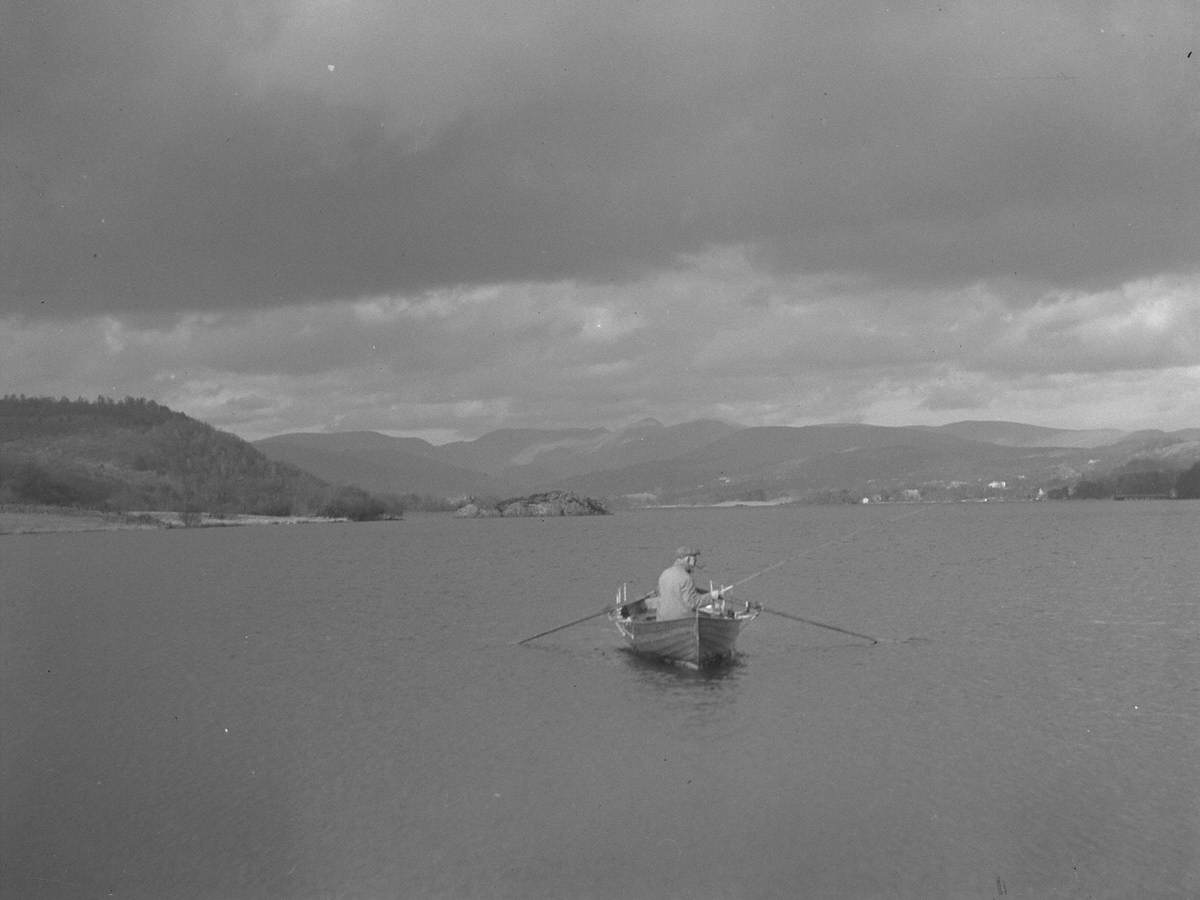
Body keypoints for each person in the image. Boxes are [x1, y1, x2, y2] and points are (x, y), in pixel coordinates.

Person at [654, 546, 726, 621]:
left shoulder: (664, 574)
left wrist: (700, 591)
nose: (695, 564)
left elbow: (665, 591)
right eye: (694, 560)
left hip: (661, 620)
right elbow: (693, 603)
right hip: (681, 620)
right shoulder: (686, 578)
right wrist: (712, 596)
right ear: (688, 559)